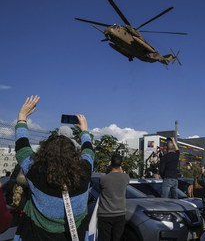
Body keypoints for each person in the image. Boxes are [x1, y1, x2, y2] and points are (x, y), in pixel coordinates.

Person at [14, 95, 94, 240]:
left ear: (44, 153)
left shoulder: (35, 170)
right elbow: (89, 151)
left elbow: (22, 147)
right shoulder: (85, 170)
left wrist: (22, 116)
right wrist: (84, 130)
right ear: (75, 154)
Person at [97, 154, 130, 241]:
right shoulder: (126, 177)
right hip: (120, 214)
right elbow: (122, 174)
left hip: (104, 214)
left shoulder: (103, 179)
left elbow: (101, 187)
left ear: (110, 163)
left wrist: (109, 167)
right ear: (121, 164)